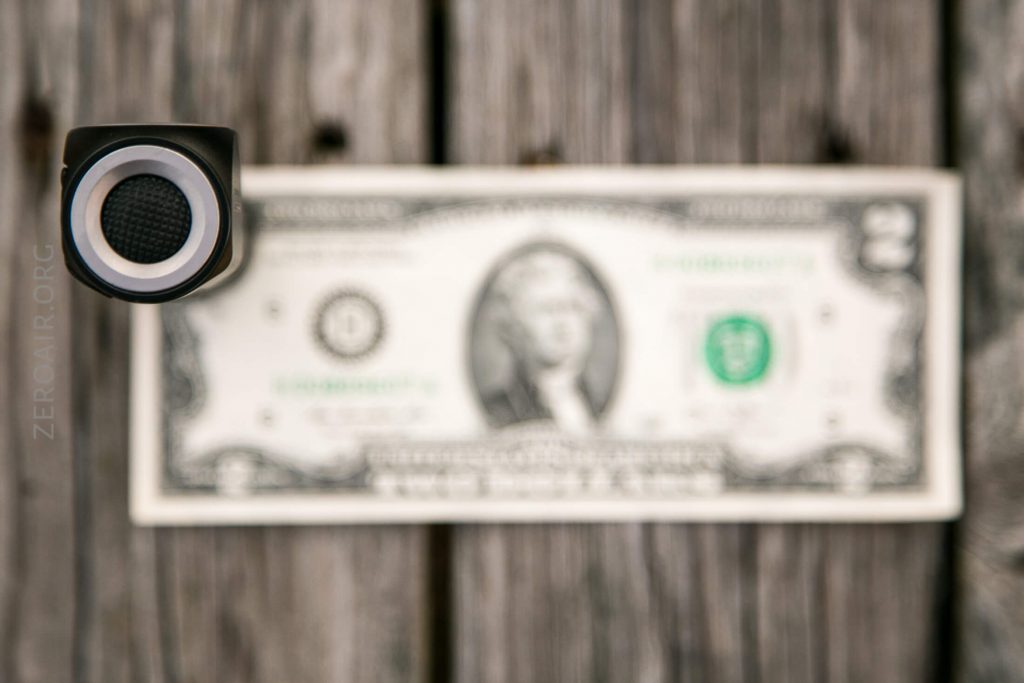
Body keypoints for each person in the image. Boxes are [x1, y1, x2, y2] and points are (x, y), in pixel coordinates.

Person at [482, 248, 603, 432]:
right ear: (515, 326)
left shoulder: (598, 406)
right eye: (546, 310)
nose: (562, 322)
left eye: (573, 307)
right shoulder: (497, 414)